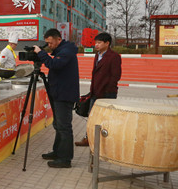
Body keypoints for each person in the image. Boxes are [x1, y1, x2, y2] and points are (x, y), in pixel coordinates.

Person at [35, 28, 79, 168]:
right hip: (59, 92)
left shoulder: (67, 51)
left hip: (64, 95)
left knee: (64, 127)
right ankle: (57, 152)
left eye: (51, 43)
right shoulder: (62, 50)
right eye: (47, 43)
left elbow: (55, 64)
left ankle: (65, 159)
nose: (49, 46)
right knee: (58, 125)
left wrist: (41, 53)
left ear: (58, 39)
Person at [75, 32, 122, 146]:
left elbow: (115, 76)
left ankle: (105, 141)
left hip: (107, 93)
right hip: (95, 92)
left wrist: (106, 89)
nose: (96, 45)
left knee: (105, 118)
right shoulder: (97, 55)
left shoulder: (114, 56)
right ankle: (88, 138)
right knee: (92, 117)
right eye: (96, 43)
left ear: (107, 43)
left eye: (99, 43)